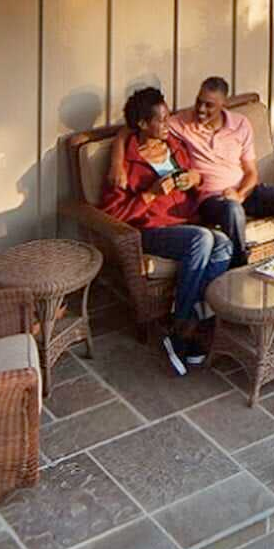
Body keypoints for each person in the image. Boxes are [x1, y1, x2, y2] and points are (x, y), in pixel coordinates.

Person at [110, 75, 274, 265]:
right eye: (199, 102)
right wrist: (117, 161)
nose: (201, 110)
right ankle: (239, 268)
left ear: (224, 105)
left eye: (209, 105)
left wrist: (239, 194)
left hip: (243, 191)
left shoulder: (241, 124)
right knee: (232, 210)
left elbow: (251, 173)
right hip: (211, 199)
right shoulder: (180, 123)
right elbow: (134, 126)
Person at [100, 86, 232, 377]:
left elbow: (197, 175)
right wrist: (149, 194)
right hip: (149, 232)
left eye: (168, 115)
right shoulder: (124, 164)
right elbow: (112, 216)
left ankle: (198, 317)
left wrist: (193, 178)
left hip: (185, 223)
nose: (167, 123)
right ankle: (181, 326)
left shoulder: (174, 144)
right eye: (161, 119)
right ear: (143, 124)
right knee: (203, 238)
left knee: (223, 242)